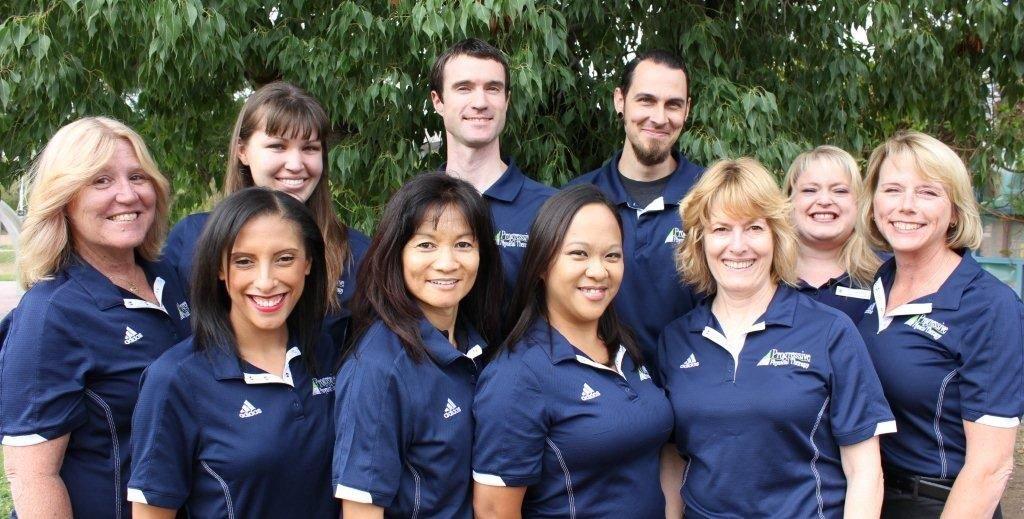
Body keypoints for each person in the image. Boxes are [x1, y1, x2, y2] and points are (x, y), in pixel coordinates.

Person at [658, 158, 895, 518]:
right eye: (721, 229)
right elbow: (674, 458)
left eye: (754, 228)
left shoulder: (829, 331)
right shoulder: (676, 340)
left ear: (776, 236)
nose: (738, 246)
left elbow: (864, 472)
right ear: (699, 241)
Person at [0, 117, 191, 517]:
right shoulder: (50, 313)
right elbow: (32, 475)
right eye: (101, 181)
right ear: (64, 199)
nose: (127, 194)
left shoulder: (169, 279)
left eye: (137, 176)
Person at [128, 187, 338, 517]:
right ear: (220, 269)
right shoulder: (175, 380)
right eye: (244, 262)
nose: (265, 281)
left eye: (284, 258)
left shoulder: (327, 352)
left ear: (308, 262)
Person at [473, 185, 673, 518]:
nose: (599, 271)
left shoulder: (625, 349)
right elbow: (493, 511)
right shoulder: (517, 376)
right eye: (579, 254)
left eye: (612, 255)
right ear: (542, 264)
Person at [856, 131, 1023, 518]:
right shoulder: (879, 283)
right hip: (872, 497)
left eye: (928, 192)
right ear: (874, 203)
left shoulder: (989, 307)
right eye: (893, 190)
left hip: (940, 504)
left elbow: (990, 468)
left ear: (955, 211)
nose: (906, 206)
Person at [332, 173, 503, 518]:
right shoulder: (379, 369)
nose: (447, 263)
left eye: (463, 244)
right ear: (396, 252)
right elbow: (361, 513)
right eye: (426, 245)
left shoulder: (477, 344)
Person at [162, 81, 368, 346]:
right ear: (243, 151)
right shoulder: (191, 239)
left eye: (310, 148)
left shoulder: (357, 253)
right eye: (277, 146)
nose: (295, 165)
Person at [568, 50, 703, 367]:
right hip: (601, 383)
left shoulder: (711, 198)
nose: (659, 117)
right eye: (646, 100)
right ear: (620, 100)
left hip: (693, 385)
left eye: (673, 105)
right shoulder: (577, 200)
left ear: (687, 110)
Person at [430, 38, 555, 289]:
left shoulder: (550, 210)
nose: (480, 102)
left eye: (493, 88)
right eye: (464, 88)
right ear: (438, 101)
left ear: (506, 100)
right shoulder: (416, 205)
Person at [784, 145, 881, 322]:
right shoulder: (764, 274)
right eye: (810, 190)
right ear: (789, 202)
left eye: (840, 191)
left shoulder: (889, 274)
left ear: (859, 203)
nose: (824, 201)